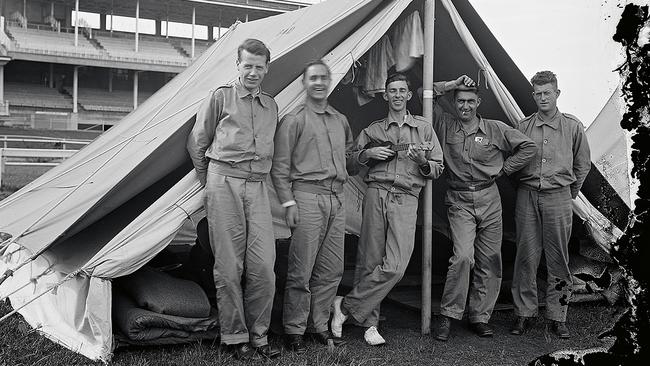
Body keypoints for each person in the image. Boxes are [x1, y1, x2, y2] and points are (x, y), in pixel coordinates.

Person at [330, 72, 444, 346]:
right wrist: (366, 154)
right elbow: (349, 165)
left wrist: (422, 162)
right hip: (376, 193)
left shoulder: (423, 128)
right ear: (385, 95)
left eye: (401, 90)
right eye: (391, 90)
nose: (397, 95)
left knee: (395, 266)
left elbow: (438, 168)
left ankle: (345, 306)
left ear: (407, 95)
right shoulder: (373, 130)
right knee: (370, 260)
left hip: (406, 196)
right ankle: (370, 325)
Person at [186, 38, 280, 360]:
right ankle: (234, 336)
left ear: (267, 68)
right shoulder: (220, 97)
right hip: (223, 181)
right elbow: (197, 143)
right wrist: (209, 183)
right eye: (247, 65)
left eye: (259, 66)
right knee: (228, 265)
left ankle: (260, 335)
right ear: (237, 66)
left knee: (264, 267)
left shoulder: (272, 106)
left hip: (258, 187)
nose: (253, 72)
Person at [432, 83, 538, 341]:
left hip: (490, 197)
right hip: (459, 198)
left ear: (478, 102)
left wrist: (505, 168)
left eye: (470, 101)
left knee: (490, 258)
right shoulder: (445, 123)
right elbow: (428, 91)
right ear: (454, 103)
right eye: (460, 101)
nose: (465, 106)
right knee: (463, 257)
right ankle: (448, 315)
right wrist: (453, 84)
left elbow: (529, 148)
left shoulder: (495, 128)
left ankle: (479, 317)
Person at [271, 60, 354, 353]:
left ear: (330, 81)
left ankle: (317, 325)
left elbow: (350, 160)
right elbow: (279, 168)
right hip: (306, 197)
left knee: (332, 269)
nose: (318, 82)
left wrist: (367, 156)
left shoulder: (340, 120)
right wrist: (289, 202)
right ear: (304, 83)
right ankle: (293, 329)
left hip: (337, 198)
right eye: (313, 78)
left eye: (323, 77)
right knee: (301, 268)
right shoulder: (293, 120)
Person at [510, 71, 591, 339]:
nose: (543, 98)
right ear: (533, 95)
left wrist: (568, 193)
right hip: (528, 196)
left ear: (557, 94)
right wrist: (526, 187)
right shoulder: (523, 127)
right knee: (526, 256)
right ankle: (523, 314)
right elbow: (514, 162)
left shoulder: (572, 126)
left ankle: (558, 316)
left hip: (559, 197)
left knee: (558, 258)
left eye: (548, 93)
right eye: (538, 93)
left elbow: (582, 164)